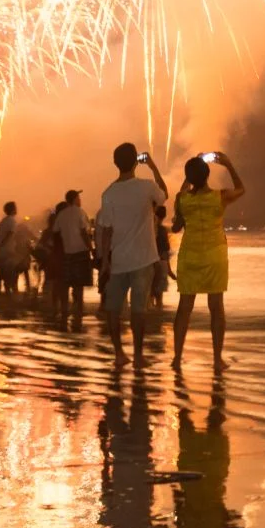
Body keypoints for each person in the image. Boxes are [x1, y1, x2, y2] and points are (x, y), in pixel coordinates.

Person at [171, 152, 246, 371]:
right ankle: (217, 359)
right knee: (216, 307)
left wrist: (191, 172)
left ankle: (177, 358)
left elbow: (176, 227)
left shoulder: (182, 199)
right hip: (214, 256)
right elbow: (242, 189)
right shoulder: (220, 196)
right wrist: (229, 164)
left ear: (189, 178)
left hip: (190, 255)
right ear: (207, 176)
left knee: (184, 308)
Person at [98, 144, 170, 369]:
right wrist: (152, 165)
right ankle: (138, 356)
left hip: (119, 260)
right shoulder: (146, 186)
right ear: (135, 162)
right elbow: (164, 195)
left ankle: (119, 353)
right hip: (144, 259)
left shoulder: (108, 193)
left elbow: (106, 230)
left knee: (113, 308)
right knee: (139, 310)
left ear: (115, 163)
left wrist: (104, 261)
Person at [53, 191, 92, 320]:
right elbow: (84, 232)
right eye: (79, 197)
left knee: (66, 283)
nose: (80, 200)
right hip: (81, 252)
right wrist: (91, 248)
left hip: (67, 253)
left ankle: (64, 310)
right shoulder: (80, 212)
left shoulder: (62, 214)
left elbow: (55, 232)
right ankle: (78, 312)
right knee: (78, 285)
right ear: (75, 199)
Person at [0, 202, 28, 295]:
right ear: (13, 210)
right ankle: (11, 293)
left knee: (2, 273)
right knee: (12, 273)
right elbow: (11, 234)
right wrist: (4, 243)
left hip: (2, 251)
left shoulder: (2, 222)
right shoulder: (12, 221)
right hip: (9, 250)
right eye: (15, 208)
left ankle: (0, 294)